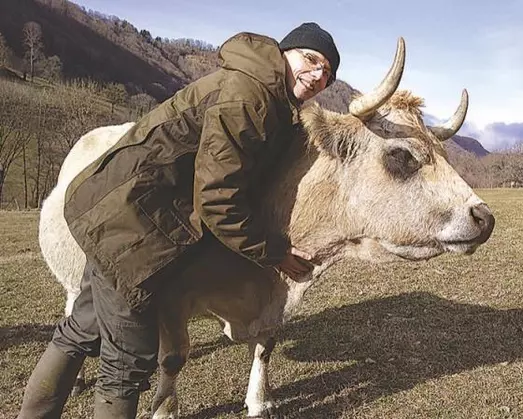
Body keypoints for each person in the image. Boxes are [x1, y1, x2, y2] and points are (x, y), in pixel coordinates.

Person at [17, 22, 340, 418]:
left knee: (80, 329)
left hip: (116, 211)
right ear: (286, 52)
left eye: (328, 73)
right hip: (133, 229)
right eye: (312, 59)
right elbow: (218, 199)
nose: (319, 75)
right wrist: (275, 252)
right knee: (127, 362)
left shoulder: (257, 90)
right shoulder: (248, 97)